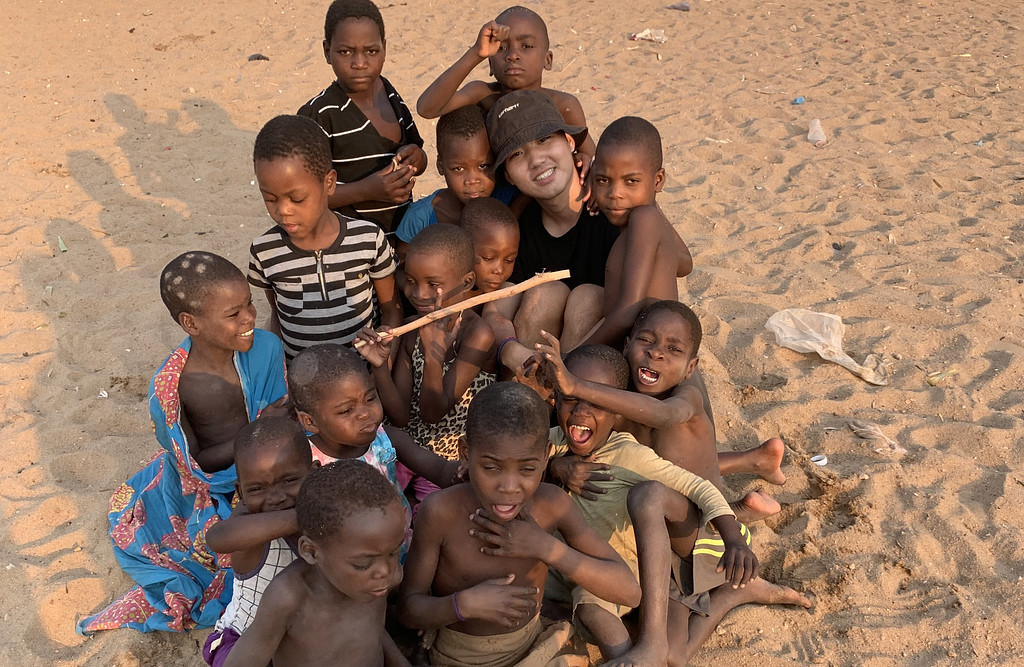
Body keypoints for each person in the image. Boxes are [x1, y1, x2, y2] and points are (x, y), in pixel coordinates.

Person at [77, 252, 290, 634]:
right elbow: (195, 464)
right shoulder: (173, 386)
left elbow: (282, 423)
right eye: (233, 314)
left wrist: (269, 433)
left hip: (271, 460)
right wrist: (255, 433)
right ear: (190, 323)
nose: (249, 319)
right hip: (213, 483)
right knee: (225, 553)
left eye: (250, 305)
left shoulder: (267, 348)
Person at [397, 382, 640, 667]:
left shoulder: (552, 505)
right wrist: (463, 605)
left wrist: (545, 547)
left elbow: (629, 592)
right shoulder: (440, 512)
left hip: (535, 648)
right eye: (491, 468)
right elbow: (409, 610)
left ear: (546, 454)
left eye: (527, 469)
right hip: (457, 657)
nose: (509, 487)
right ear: (465, 452)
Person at [541, 344, 757, 661]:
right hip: (572, 571)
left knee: (594, 611)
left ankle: (641, 650)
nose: (581, 412)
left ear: (617, 412)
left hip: (634, 573)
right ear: (555, 400)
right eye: (571, 400)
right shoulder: (552, 443)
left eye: (597, 402)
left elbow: (698, 487)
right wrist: (553, 467)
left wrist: (734, 538)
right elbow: (516, 463)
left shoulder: (629, 453)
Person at [536, 300, 786, 524]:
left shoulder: (686, 396)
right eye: (645, 340)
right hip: (657, 473)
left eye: (673, 349)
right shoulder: (619, 388)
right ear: (627, 345)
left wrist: (576, 385)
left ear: (690, 367)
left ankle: (740, 510)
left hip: (689, 510)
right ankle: (756, 459)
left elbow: (663, 415)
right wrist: (558, 465)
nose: (655, 353)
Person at [602, 480, 812, 667]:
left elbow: (702, 485)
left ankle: (732, 593)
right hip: (648, 564)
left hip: (689, 556)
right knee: (674, 657)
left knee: (671, 657)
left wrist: (734, 540)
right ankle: (732, 593)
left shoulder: (644, 466)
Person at [223, 460, 411, 667]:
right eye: (363, 563)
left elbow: (373, 630)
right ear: (311, 551)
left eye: (393, 553)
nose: (385, 570)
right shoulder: (288, 598)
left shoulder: (376, 581)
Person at [248, 114, 403, 360]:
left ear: (329, 183)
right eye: (270, 198)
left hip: (361, 383)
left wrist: (382, 365)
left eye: (297, 199)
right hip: (302, 383)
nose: (283, 210)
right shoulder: (264, 252)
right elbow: (279, 315)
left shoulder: (369, 239)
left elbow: (391, 311)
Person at [356, 225, 495, 494]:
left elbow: (433, 414)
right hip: (410, 449)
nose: (418, 294)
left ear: (466, 282)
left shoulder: (478, 334)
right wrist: (379, 366)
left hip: (452, 456)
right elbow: (400, 416)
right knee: (385, 437)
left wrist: (435, 357)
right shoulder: (411, 331)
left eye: (433, 284)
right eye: (410, 280)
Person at [287, 342, 462, 556]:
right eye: (346, 410)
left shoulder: (385, 437)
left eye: (370, 398)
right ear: (310, 422)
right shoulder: (306, 462)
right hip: (356, 566)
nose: (364, 413)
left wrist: (471, 471)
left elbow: (440, 469)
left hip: (403, 548)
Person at [298, 0, 427, 235]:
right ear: (327, 51)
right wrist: (367, 190)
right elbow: (304, 196)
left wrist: (417, 160)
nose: (359, 63)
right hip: (350, 248)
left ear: (384, 48)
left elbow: (417, 152)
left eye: (371, 51)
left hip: (400, 240)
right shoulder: (318, 114)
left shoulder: (390, 94)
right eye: (345, 52)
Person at [203, 418, 314, 666]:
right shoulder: (249, 531)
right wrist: (305, 516)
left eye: (289, 481)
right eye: (257, 489)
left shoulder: (327, 515)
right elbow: (218, 537)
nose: (275, 498)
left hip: (303, 637)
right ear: (240, 493)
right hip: (243, 642)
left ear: (314, 473)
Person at [416, 6, 596, 160]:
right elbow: (427, 108)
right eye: (501, 48)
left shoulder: (564, 106)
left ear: (547, 60)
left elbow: (592, 160)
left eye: (526, 46)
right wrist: (476, 53)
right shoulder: (483, 95)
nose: (512, 55)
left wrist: (582, 160)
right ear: (490, 63)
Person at [577, 117, 692, 349]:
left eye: (631, 181)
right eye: (603, 180)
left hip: (647, 353)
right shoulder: (649, 219)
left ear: (658, 180)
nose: (615, 193)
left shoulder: (644, 220)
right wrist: (649, 199)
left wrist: (571, 356)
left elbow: (628, 313)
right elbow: (685, 264)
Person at [394, 105, 519, 249]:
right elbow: (402, 264)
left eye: (483, 166)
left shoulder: (508, 199)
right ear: (440, 166)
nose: (472, 180)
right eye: (458, 169)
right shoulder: (419, 218)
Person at [460, 197, 519, 295]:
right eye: (488, 258)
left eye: (509, 260)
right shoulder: (446, 294)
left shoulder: (506, 293)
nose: (499, 270)